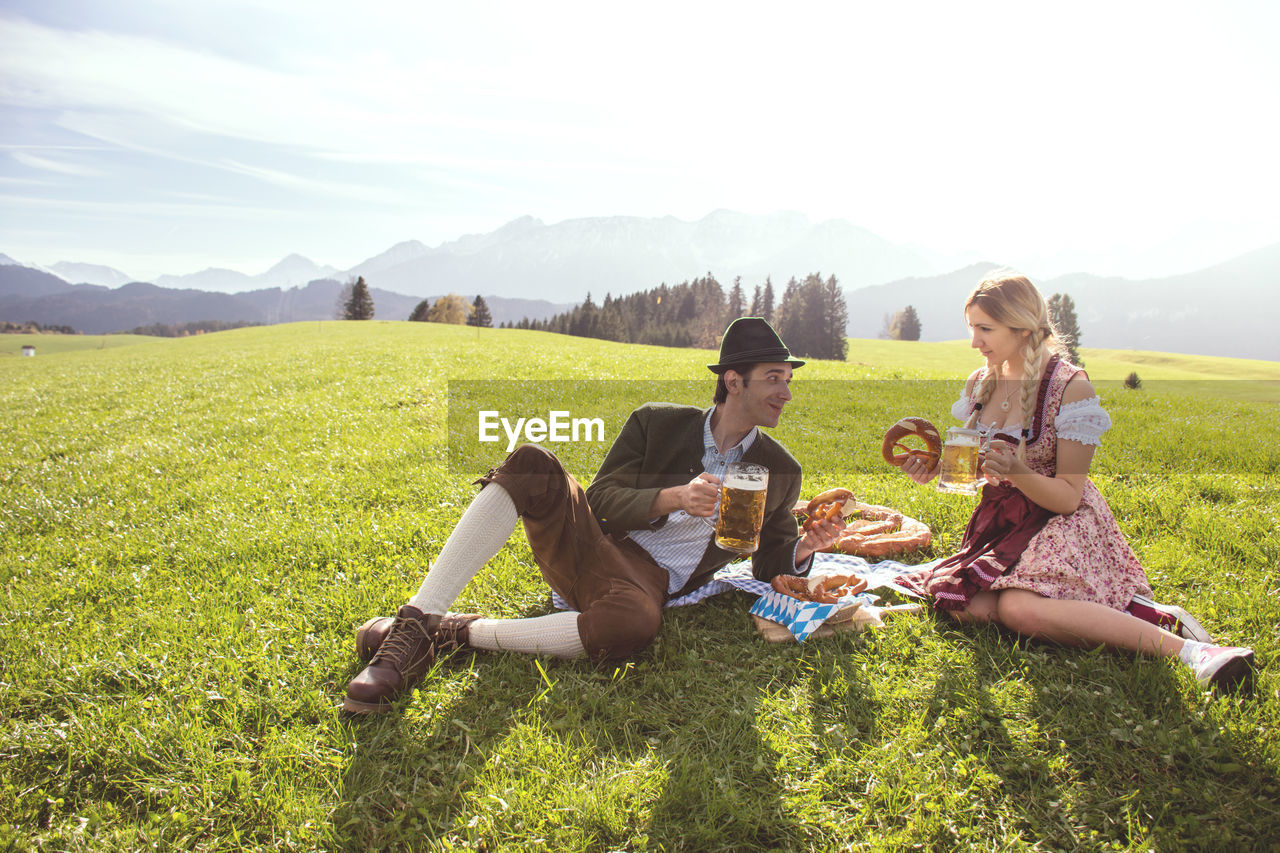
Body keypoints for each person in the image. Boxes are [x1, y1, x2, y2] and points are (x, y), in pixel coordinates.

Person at [344, 317, 845, 714]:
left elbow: (766, 566)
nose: (786, 391)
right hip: (592, 544)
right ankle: (414, 626)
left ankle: (454, 633)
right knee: (533, 462)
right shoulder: (656, 422)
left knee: (633, 627)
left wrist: (804, 548)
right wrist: (672, 497)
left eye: (788, 379)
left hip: (645, 583)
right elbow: (602, 497)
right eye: (773, 378)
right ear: (733, 381)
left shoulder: (781, 470)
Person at [895, 271, 1255, 689]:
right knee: (957, 605)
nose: (975, 342)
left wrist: (1017, 471)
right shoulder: (981, 383)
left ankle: (1191, 651)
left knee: (1018, 611)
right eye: (972, 328)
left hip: (1061, 523)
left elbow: (1068, 497)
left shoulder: (1070, 388)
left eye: (985, 329)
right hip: (1006, 525)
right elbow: (981, 472)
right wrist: (936, 471)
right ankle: (1124, 615)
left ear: (1022, 327)